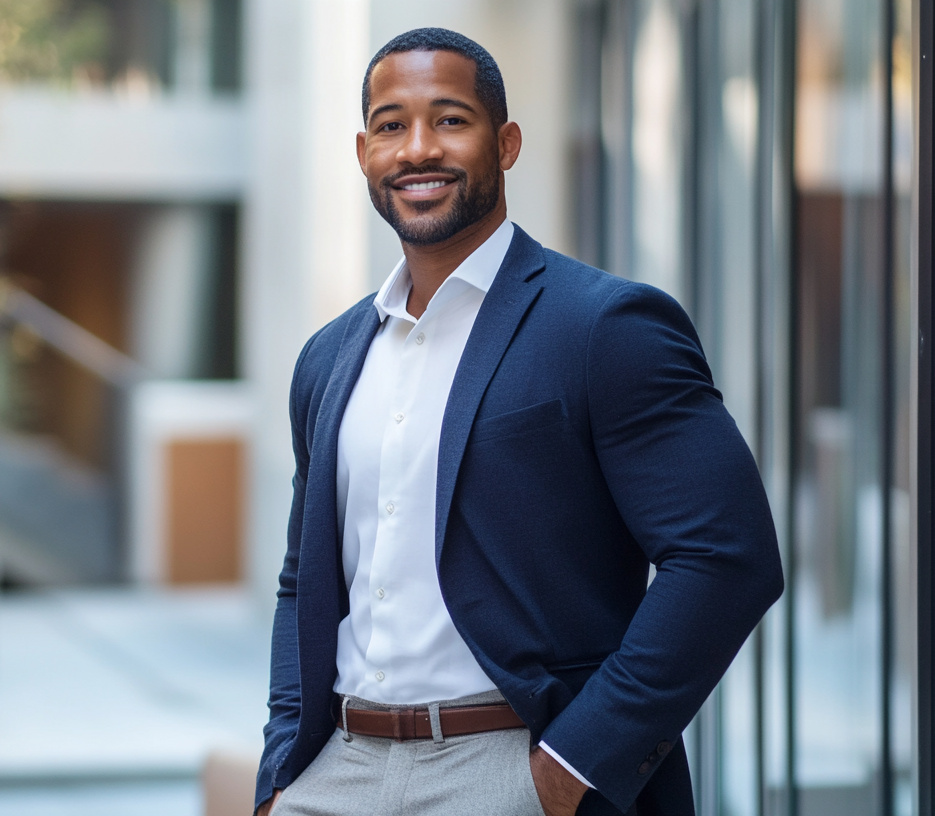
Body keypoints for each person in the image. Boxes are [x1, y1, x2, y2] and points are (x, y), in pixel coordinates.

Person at [255, 27, 782, 816]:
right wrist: (281, 768)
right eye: (392, 126)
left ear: (506, 143)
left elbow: (726, 556)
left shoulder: (605, 327)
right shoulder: (328, 360)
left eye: (451, 120)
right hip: (338, 768)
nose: (418, 149)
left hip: (509, 769)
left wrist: (571, 766)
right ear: (364, 152)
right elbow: (305, 581)